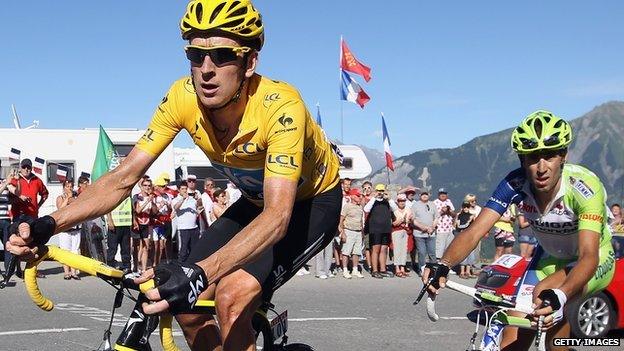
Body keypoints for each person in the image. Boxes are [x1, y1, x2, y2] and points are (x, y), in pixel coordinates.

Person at [7, 2, 342, 350]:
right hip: (255, 203)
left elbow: (277, 216)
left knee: (230, 297)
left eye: (223, 56)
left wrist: (200, 274)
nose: (206, 70)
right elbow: (123, 177)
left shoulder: (281, 106)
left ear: (249, 63)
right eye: (196, 56)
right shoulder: (182, 97)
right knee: (187, 307)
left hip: (310, 204)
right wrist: (48, 224)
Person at [425, 110, 615, 350]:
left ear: (563, 156)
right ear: (522, 160)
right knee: (512, 337)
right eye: (533, 158)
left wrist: (562, 294)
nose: (541, 167)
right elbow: (474, 232)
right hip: (547, 257)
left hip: (595, 259)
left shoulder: (584, 187)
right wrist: (443, 264)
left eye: (549, 156)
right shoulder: (514, 183)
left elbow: (588, 255)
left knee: (550, 324)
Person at [363, 183, 396, 278]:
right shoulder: (372, 201)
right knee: (375, 249)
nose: (380, 193)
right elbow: (366, 209)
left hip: (386, 228)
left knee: (384, 249)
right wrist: (374, 197)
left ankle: (383, 269)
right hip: (375, 229)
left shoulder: (387, 201)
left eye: (382, 191)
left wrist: (389, 198)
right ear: (376, 191)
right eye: (379, 191)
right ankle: (375, 270)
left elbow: (395, 208)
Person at [56, 179, 81, 280]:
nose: (69, 188)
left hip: (75, 228)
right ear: (63, 188)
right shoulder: (60, 198)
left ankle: (74, 272)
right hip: (64, 229)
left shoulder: (76, 198)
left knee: (75, 250)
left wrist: (73, 198)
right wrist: (67, 199)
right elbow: (60, 210)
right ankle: (67, 272)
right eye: (67, 186)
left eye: (71, 186)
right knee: (65, 251)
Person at [339, 188, 365, 279]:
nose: (360, 197)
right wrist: (342, 233)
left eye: (360, 196)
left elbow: (361, 221)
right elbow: (341, 220)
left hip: (358, 231)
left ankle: (355, 269)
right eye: (358, 196)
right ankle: (345, 270)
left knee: (356, 252)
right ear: (353, 196)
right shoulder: (347, 206)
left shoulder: (360, 207)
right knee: (346, 251)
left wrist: (362, 233)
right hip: (348, 230)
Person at [412, 191, 438, 275]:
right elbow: (413, 220)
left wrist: (432, 227)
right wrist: (423, 227)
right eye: (423, 194)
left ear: (429, 195)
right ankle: (422, 269)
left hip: (431, 233)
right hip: (419, 233)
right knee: (422, 252)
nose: (425, 196)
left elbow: (436, 218)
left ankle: (433, 270)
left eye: (426, 194)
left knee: (432, 253)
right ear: (420, 195)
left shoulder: (433, 204)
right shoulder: (415, 205)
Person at [133, 178, 154, 272]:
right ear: (141, 186)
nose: (147, 187)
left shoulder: (151, 197)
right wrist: (147, 201)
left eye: (149, 185)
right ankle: (136, 266)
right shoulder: (137, 196)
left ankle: (144, 269)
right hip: (138, 223)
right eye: (145, 185)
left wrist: (152, 201)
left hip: (147, 224)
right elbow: (137, 210)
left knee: (146, 246)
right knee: (137, 247)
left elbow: (154, 211)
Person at [391, 194, 413, 278]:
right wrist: (400, 221)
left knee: (404, 249)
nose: (402, 203)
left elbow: (410, 221)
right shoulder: (394, 211)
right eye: (400, 201)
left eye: (403, 201)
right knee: (397, 249)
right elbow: (393, 223)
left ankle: (402, 268)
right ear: (397, 202)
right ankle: (397, 268)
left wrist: (409, 221)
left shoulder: (408, 210)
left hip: (406, 231)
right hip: (396, 230)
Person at [455, 202, 476, 278]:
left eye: (467, 207)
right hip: (462, 236)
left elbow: (475, 226)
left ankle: (468, 271)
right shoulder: (459, 216)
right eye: (465, 207)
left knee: (471, 255)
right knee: (463, 254)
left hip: (470, 237)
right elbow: (459, 226)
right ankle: (462, 272)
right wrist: (468, 222)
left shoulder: (472, 216)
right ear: (462, 208)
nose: (466, 209)